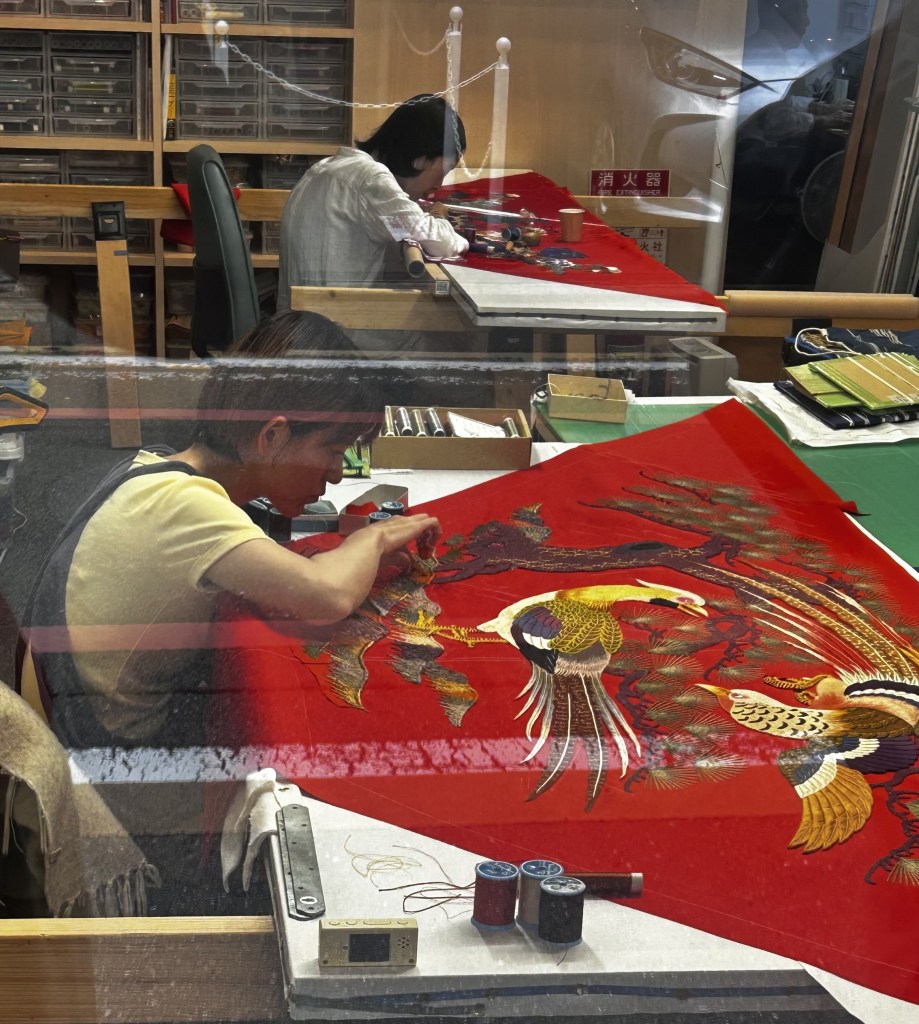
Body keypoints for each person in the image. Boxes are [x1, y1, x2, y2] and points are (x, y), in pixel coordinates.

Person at [18, 310, 441, 912]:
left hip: (89, 725)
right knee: (341, 781)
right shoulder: (189, 511)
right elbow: (327, 598)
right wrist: (371, 539)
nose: (336, 472)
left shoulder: (157, 470)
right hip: (122, 776)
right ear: (272, 436)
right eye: (333, 449)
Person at [277, 93, 470, 309]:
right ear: (421, 159)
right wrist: (438, 216)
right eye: (444, 170)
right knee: (451, 321)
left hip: (299, 319)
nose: (439, 185)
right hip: (332, 324)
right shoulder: (370, 178)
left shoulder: (328, 166)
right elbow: (443, 244)